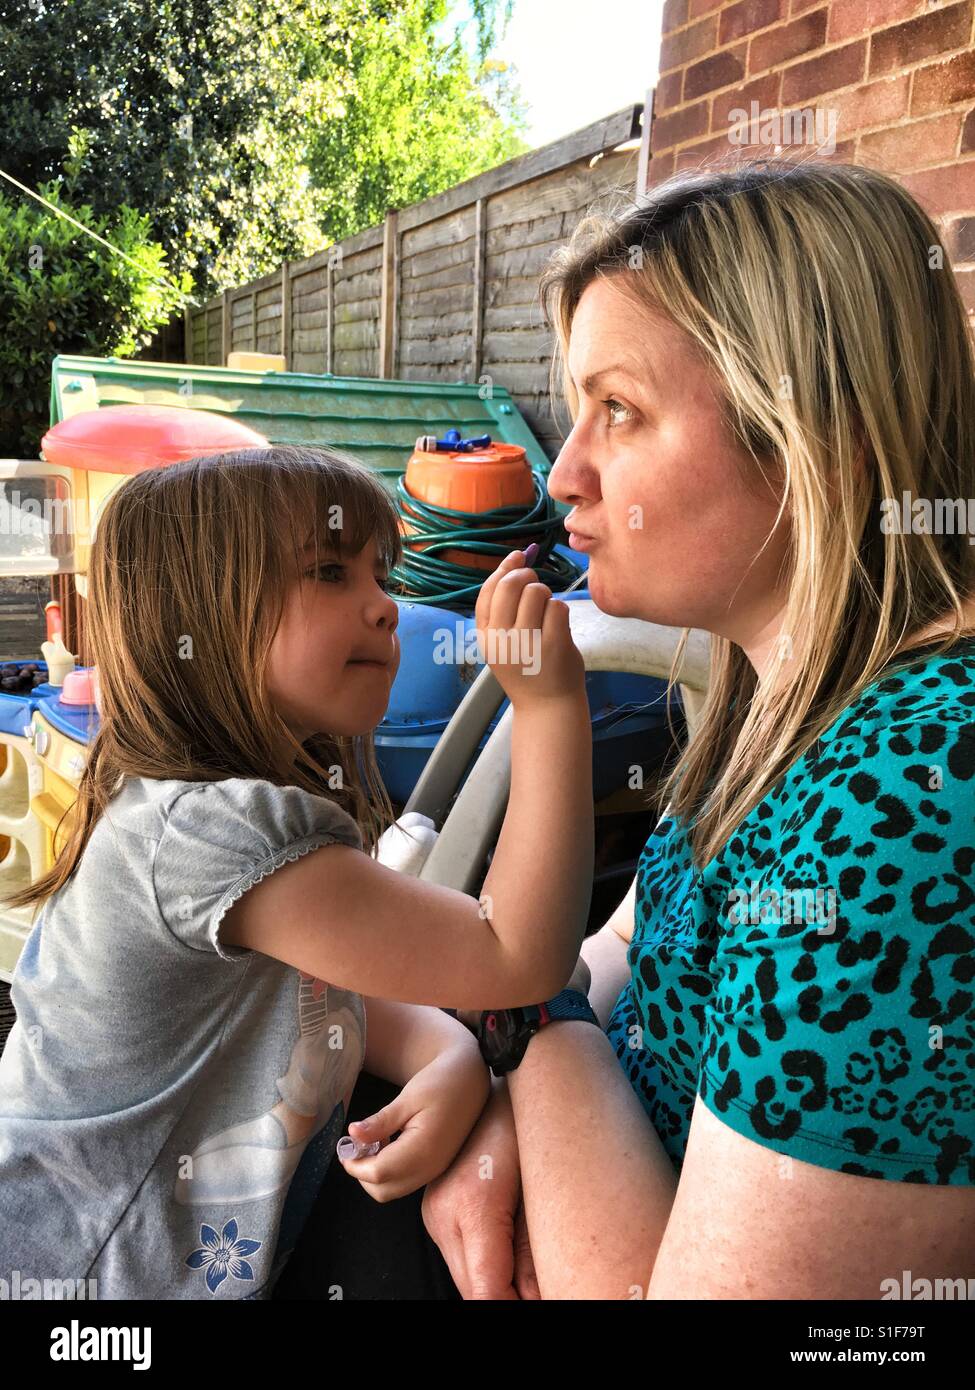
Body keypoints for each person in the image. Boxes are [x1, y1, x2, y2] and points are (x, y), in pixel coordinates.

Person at [419, 157, 975, 1299]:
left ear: (820, 439)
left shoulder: (913, 802)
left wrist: (518, 1015)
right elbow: (627, 944)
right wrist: (491, 1087)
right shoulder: (775, 689)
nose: (562, 472)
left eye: (617, 410)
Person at [0, 444, 593, 1299]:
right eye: (329, 572)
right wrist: (546, 704)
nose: (384, 608)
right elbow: (517, 957)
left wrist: (448, 1052)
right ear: (198, 617)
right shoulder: (219, 833)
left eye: (379, 575)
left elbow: (328, 983)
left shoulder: (182, 808)